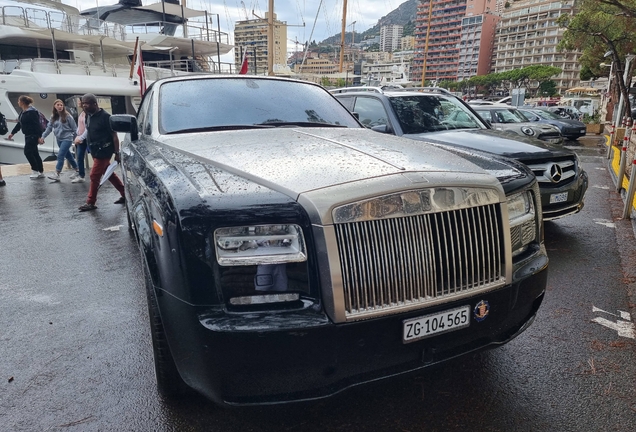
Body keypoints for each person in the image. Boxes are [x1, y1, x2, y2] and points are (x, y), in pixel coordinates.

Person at [76, 93, 125, 212]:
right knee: (109, 174)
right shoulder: (88, 115)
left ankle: (90, 202)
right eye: (83, 104)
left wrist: (117, 153)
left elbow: (114, 136)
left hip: (104, 151)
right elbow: (88, 130)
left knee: (94, 175)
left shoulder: (106, 117)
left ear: (95, 104)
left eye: (87, 103)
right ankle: (125, 194)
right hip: (94, 150)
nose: (84, 106)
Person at [40, 99, 80, 182]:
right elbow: (49, 128)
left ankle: (57, 173)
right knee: (68, 156)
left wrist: (76, 139)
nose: (60, 106)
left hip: (67, 138)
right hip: (59, 139)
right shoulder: (53, 117)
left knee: (60, 155)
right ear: (54, 106)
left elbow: (74, 128)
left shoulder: (68, 116)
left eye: (61, 105)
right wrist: (43, 137)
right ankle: (77, 170)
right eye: (58, 105)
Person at [7, 95, 45, 179]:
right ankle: (40, 171)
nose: (18, 103)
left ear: (22, 102)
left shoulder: (31, 112)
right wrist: (13, 133)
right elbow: (20, 123)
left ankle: (35, 170)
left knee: (27, 152)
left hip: (33, 135)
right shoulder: (23, 112)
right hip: (27, 135)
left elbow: (37, 125)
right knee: (35, 153)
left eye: (18, 101)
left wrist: (39, 137)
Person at [72, 108, 88, 183]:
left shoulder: (88, 114)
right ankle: (81, 175)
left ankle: (105, 172)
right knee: (80, 157)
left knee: (96, 157)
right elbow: (79, 126)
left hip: (88, 138)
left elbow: (88, 128)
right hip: (80, 138)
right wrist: (77, 135)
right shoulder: (81, 113)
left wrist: (81, 138)